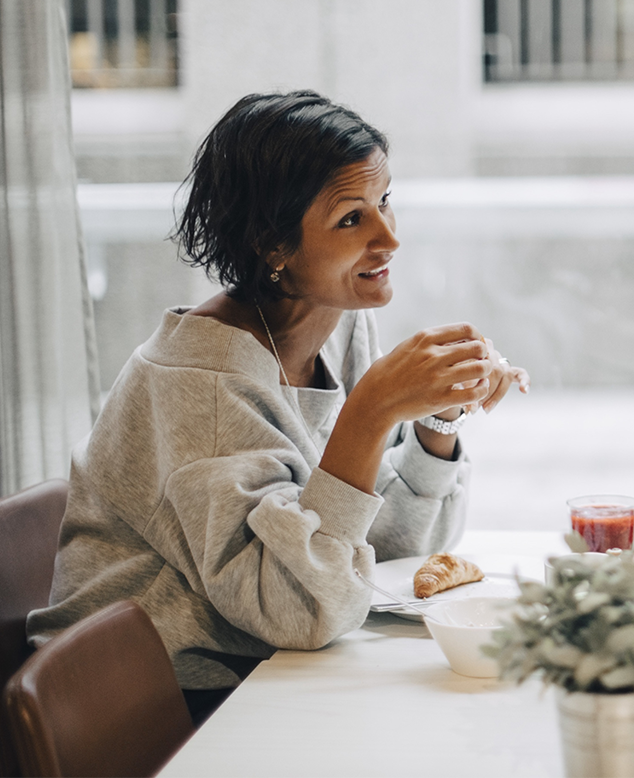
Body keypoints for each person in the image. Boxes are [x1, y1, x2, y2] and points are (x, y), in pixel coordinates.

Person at [28, 91, 530, 722]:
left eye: (385, 201)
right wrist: (370, 412)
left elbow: (372, 548)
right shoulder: (202, 383)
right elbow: (298, 609)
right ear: (273, 246)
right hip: (152, 707)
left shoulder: (336, 326)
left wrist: (437, 422)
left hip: (258, 667)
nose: (390, 237)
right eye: (352, 219)